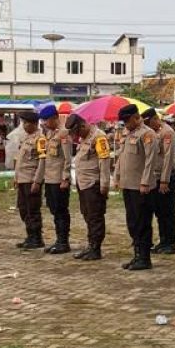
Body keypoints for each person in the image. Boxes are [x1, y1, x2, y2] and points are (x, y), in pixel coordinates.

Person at [113, 104, 159, 271]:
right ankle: (137, 254)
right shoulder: (127, 133)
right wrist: (117, 176)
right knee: (132, 222)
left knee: (142, 222)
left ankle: (144, 258)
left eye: (127, 121)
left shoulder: (147, 134)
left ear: (135, 117)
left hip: (141, 187)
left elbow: (150, 160)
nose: (125, 125)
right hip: (128, 185)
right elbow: (121, 157)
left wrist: (145, 182)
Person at [68, 113, 111, 260]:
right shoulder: (84, 138)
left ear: (82, 126)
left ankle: (96, 248)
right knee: (87, 215)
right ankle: (91, 244)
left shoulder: (99, 137)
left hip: (94, 184)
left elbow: (104, 161)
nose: (76, 136)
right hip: (83, 183)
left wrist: (104, 184)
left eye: (77, 132)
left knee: (95, 217)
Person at [143, 108, 175, 256]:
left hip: (167, 178)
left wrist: (165, 180)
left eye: (148, 122)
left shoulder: (167, 132)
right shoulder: (152, 133)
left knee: (168, 212)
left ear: (154, 119)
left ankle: (170, 243)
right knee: (159, 212)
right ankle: (163, 241)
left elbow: (168, 159)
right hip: (155, 178)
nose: (147, 126)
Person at [38, 105, 74, 255]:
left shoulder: (63, 134)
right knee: (53, 209)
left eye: (46, 120)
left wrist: (65, 178)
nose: (44, 123)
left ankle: (63, 242)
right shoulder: (50, 134)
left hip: (59, 180)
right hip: (50, 178)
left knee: (61, 211)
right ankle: (59, 240)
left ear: (54, 118)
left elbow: (67, 158)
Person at [10, 110, 46, 250]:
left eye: (26, 123)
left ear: (34, 124)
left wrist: (37, 181)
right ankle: (30, 236)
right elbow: (20, 160)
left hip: (31, 179)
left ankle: (36, 238)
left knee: (33, 210)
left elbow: (42, 161)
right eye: (23, 123)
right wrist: (16, 177)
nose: (24, 126)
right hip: (22, 179)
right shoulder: (26, 138)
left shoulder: (40, 139)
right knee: (23, 208)